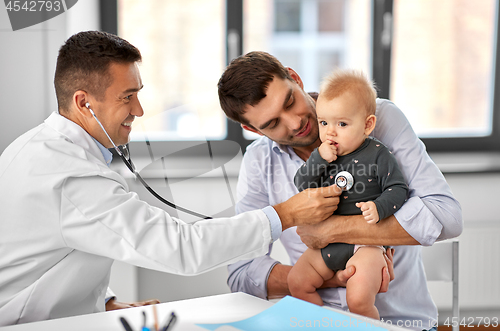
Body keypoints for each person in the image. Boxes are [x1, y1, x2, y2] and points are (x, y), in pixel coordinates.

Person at [0, 32, 340, 326]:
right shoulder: (69, 176)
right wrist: (286, 215)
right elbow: (181, 248)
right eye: (127, 97)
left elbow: (52, 251)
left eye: (137, 93)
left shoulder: (36, 149)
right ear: (83, 103)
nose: (139, 110)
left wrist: (104, 302)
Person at [218, 51, 463, 330]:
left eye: (290, 101)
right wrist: (322, 278)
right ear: (254, 129)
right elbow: (241, 272)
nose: (295, 123)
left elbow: (448, 216)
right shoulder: (259, 161)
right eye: (273, 123)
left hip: (400, 323)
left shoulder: (379, 119)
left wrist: (333, 230)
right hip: (318, 323)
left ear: (295, 79)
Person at [289, 69, 408, 319]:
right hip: (328, 244)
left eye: (342, 124)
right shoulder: (321, 156)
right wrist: (318, 160)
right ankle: (323, 324)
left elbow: (398, 189)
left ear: (367, 125)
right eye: (324, 123)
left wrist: (380, 207)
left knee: (358, 299)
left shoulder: (378, 154)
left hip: (365, 244)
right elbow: (301, 184)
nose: (330, 132)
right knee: (297, 282)